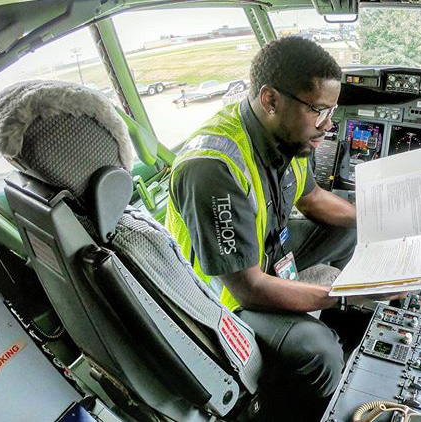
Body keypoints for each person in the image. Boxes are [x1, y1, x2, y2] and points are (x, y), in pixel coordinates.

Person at [165, 37, 386, 420]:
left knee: (350, 227)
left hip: (265, 258)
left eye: (331, 112)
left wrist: (382, 220)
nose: (328, 126)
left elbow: (312, 198)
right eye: (319, 110)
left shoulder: (289, 134)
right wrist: (350, 295)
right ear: (271, 100)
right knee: (318, 351)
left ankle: (310, 304)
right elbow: (249, 289)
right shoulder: (212, 168)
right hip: (221, 300)